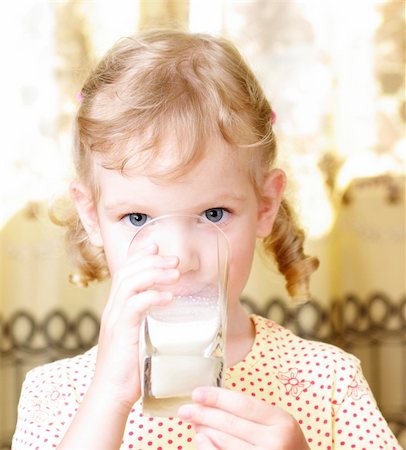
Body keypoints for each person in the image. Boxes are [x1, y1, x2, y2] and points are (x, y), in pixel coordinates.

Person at [12, 29, 401, 450]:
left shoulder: (326, 382)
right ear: (92, 215)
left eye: (213, 214)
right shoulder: (56, 393)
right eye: (137, 217)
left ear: (265, 205)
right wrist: (108, 397)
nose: (180, 257)